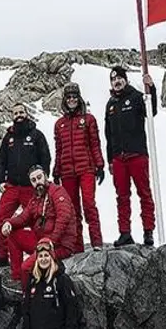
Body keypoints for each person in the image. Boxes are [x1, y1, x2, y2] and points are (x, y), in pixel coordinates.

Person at [104, 66, 158, 247]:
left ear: (125, 80)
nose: (117, 82)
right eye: (113, 80)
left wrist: (152, 88)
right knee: (122, 196)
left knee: (144, 193)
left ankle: (148, 232)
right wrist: (110, 160)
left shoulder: (136, 97)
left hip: (137, 154)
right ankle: (125, 233)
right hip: (118, 158)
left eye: (119, 78)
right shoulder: (110, 105)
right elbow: (108, 134)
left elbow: (151, 111)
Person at [0, 103, 51, 268]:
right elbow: (1, 160)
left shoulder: (36, 135)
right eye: (15, 113)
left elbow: (45, 157)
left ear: (26, 114)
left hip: (30, 188)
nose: (18, 115)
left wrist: (42, 180)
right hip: (12, 186)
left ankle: (40, 253)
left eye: (21, 112)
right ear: (12, 116)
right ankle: (2, 255)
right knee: (0, 218)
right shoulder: (8, 138)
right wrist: (0, 180)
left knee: (36, 220)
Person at [1, 165, 79, 286]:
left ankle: (26, 292)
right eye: (33, 180)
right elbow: (23, 218)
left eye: (39, 177)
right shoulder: (35, 198)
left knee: (26, 267)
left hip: (59, 245)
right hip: (41, 241)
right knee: (13, 235)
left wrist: (51, 241)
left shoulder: (57, 191)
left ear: (45, 176)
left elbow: (64, 218)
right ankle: (16, 278)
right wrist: (8, 222)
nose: (37, 182)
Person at [52, 82, 106, 251]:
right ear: (64, 100)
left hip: (86, 169)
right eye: (68, 97)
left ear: (79, 98)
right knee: (73, 210)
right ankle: (77, 246)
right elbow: (59, 150)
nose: (72, 100)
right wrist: (56, 170)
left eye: (74, 96)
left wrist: (100, 165)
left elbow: (95, 144)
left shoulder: (88, 119)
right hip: (67, 172)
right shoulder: (59, 124)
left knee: (89, 204)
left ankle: (97, 243)